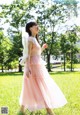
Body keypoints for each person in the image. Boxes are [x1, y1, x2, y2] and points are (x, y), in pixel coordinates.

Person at [17, 21, 67, 115]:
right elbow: (28, 55)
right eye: (35, 25)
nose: (37, 26)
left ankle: (22, 110)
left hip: (38, 64)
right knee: (38, 86)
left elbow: (36, 53)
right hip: (32, 66)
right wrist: (27, 68)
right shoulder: (30, 39)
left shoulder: (35, 39)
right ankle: (49, 111)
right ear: (30, 28)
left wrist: (42, 48)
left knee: (35, 86)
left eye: (37, 25)